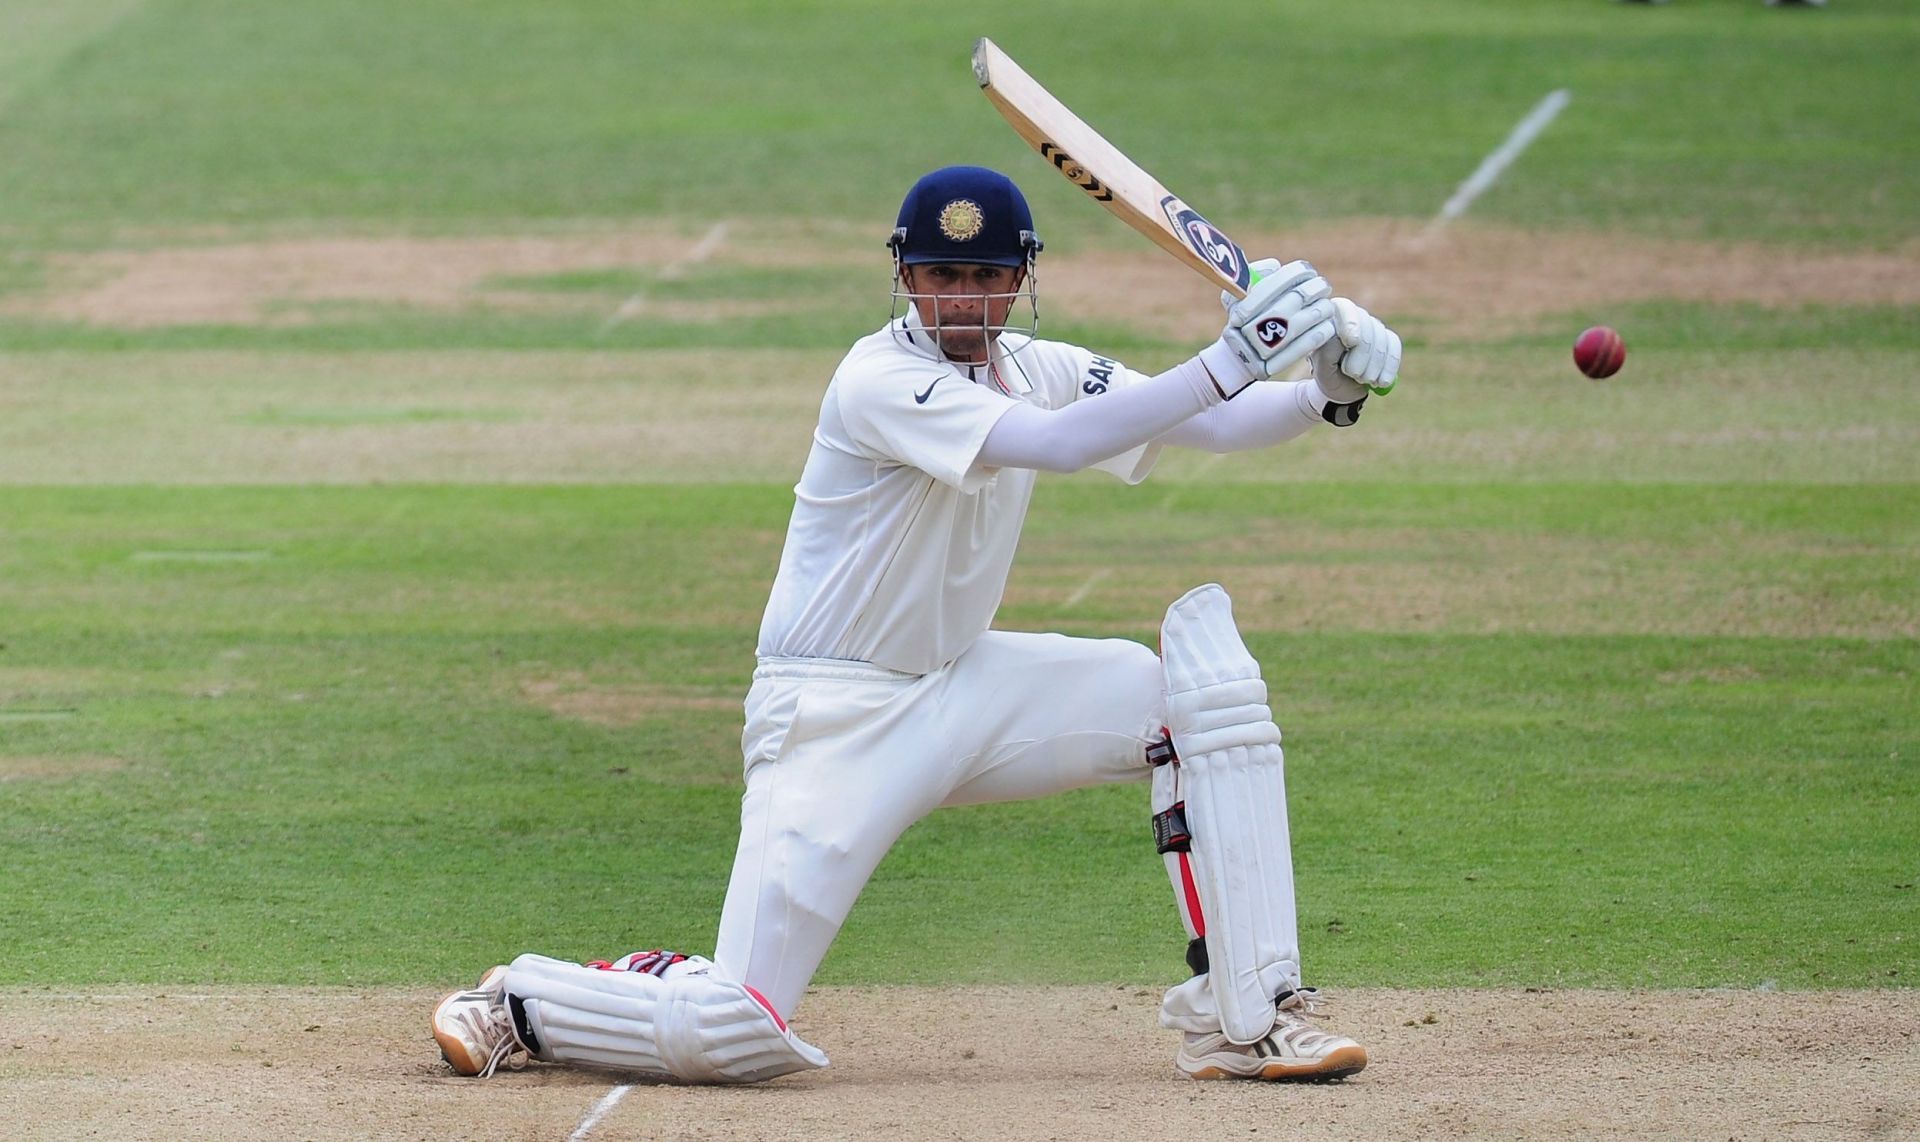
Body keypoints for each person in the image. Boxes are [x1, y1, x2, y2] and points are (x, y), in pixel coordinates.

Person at [431, 165, 1402, 1084]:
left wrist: (1327, 391)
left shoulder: (1039, 364)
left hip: (963, 684)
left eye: (986, 277)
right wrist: (1235, 354)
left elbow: (1218, 424)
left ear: (1022, 278)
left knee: (1199, 699)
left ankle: (1244, 1015)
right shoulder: (877, 380)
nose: (963, 300)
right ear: (903, 276)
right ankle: (521, 999)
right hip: (832, 715)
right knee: (733, 1027)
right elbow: (1061, 445)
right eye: (941, 275)